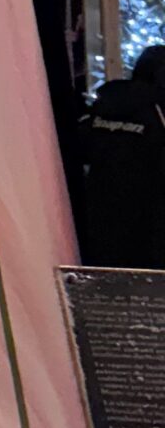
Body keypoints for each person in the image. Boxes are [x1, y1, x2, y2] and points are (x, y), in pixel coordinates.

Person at [70, 43, 165, 269]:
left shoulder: (103, 107)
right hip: (151, 225)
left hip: (99, 220)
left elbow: (80, 150)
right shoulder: (158, 111)